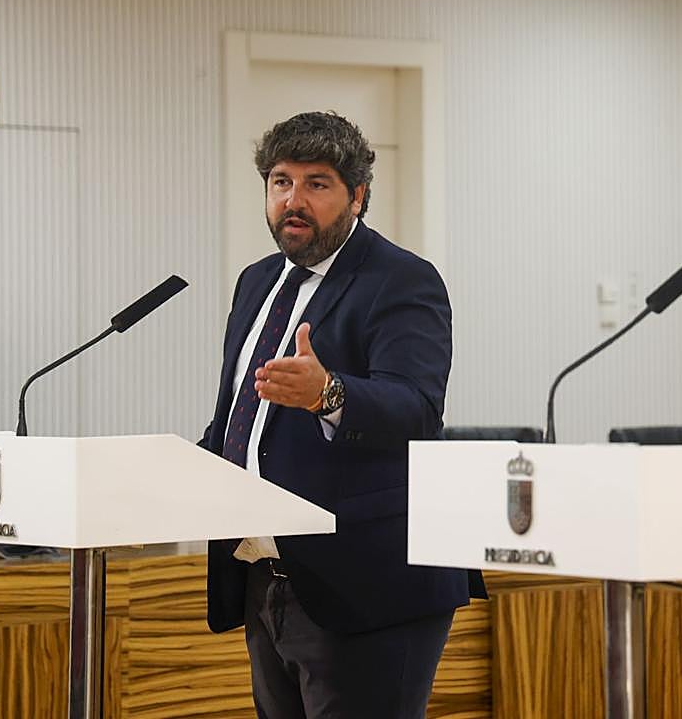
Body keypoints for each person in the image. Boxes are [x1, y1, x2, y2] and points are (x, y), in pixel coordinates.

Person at [198, 111, 483, 719]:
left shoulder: (401, 280)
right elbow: (237, 421)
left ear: (357, 196)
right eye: (280, 182)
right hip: (267, 574)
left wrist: (329, 393)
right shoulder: (256, 282)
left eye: (316, 184)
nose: (293, 201)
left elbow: (416, 409)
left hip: (369, 581)